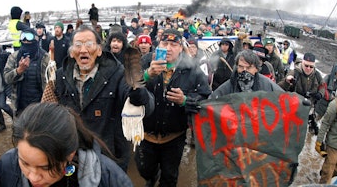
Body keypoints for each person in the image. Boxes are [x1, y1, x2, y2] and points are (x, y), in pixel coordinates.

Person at [51, 25, 154, 172]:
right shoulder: (60, 76)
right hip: (74, 156)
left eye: (89, 45)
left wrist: (136, 88)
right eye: (78, 45)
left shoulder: (118, 73)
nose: (83, 50)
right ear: (72, 52)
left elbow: (147, 107)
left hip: (110, 157)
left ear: (99, 50)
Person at [137, 29, 211, 186]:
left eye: (173, 44)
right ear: (158, 45)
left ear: (180, 47)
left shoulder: (192, 68)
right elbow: (128, 86)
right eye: (165, 43)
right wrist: (147, 75)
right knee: (144, 170)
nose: (168, 48)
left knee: (170, 177)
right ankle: (151, 177)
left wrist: (185, 100)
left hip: (174, 136)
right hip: (145, 133)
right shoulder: (145, 61)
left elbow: (205, 98)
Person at [0, 102, 133, 187]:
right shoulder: (7, 166)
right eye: (24, 163)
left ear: (70, 154)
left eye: (46, 167)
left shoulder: (108, 178)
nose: (33, 177)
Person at [4, 31, 50, 116]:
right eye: (24, 43)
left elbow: (51, 82)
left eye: (29, 43)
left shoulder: (45, 58)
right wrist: (19, 71)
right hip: (20, 107)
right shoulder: (14, 57)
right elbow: (7, 78)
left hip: (40, 106)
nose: (26, 45)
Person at [278, 53, 325, 134]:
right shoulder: (294, 72)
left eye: (311, 66)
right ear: (302, 63)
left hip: (307, 110)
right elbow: (279, 87)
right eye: (306, 65)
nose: (308, 68)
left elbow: (323, 85)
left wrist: (320, 93)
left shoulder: (317, 75)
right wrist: (287, 81)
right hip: (292, 110)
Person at [210, 49, 283, 98]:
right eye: (241, 67)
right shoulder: (229, 86)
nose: (244, 70)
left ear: (256, 68)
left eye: (248, 68)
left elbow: (284, 99)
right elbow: (212, 101)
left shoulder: (267, 84)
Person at [315, 87, 337, 184]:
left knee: (336, 171)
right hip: (333, 145)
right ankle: (324, 179)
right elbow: (325, 123)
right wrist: (319, 141)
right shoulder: (335, 105)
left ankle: (323, 173)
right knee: (328, 172)